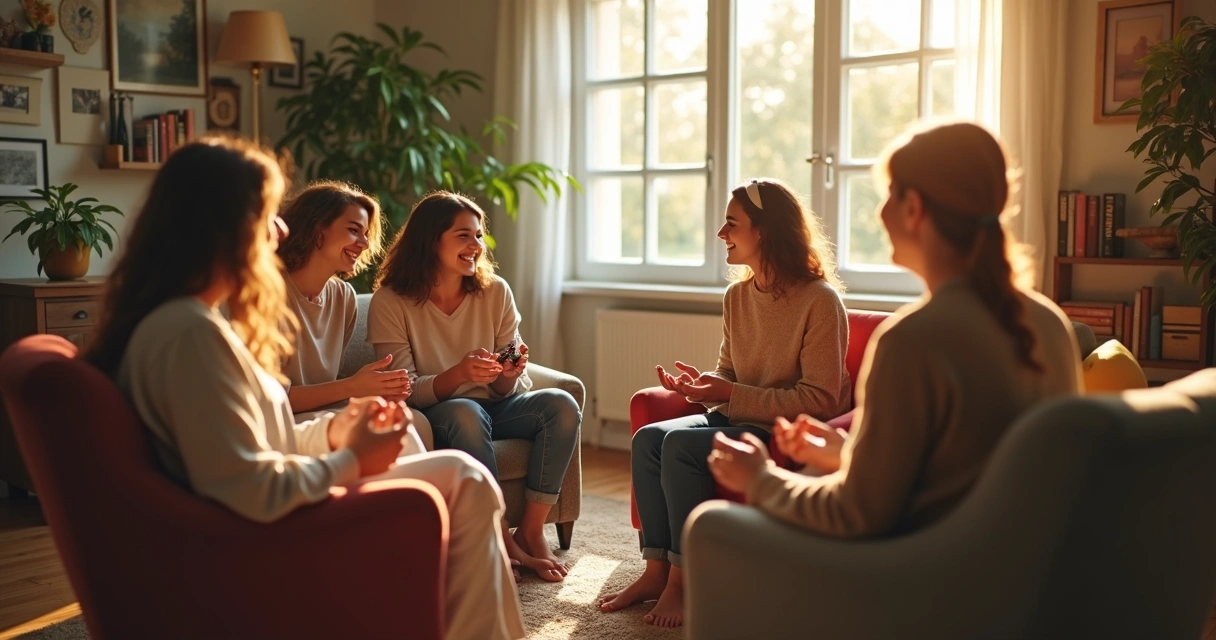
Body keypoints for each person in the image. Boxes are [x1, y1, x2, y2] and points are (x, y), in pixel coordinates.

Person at [84, 137, 525, 640]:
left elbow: (252, 439)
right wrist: (350, 459)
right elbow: (252, 489)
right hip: (258, 535)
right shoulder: (188, 335)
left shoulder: (187, 322)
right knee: (466, 478)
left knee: (431, 454)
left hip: (272, 489)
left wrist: (336, 431)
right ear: (223, 224)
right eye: (268, 214)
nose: (280, 230)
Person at [707, 121, 1082, 545]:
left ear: (913, 208)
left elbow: (853, 514)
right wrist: (846, 450)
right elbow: (956, 471)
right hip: (1014, 564)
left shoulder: (910, 341)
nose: (879, 212)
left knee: (708, 526)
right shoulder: (1049, 322)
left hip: (927, 569)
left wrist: (759, 478)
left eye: (888, 194)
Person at [600, 178, 852, 628]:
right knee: (648, 439)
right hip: (736, 416)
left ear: (765, 231)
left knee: (680, 445)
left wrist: (728, 394)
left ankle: (684, 582)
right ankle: (656, 573)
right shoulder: (737, 296)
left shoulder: (820, 300)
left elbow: (820, 399)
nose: (721, 234)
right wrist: (703, 385)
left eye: (732, 223)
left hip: (782, 431)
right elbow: (729, 371)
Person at [366, 191, 581, 583]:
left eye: (479, 235)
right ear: (431, 240)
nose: (476, 245)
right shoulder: (390, 301)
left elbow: (506, 387)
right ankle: (496, 536)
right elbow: (402, 388)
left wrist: (508, 373)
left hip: (495, 408)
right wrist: (459, 374)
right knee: (467, 411)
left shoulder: (495, 291)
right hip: (440, 413)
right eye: (463, 235)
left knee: (561, 404)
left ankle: (531, 531)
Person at [275, 180, 433, 448]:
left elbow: (327, 386)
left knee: (414, 421)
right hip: (281, 419)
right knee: (388, 429)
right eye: (353, 230)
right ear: (316, 228)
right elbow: (270, 398)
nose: (365, 243)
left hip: (320, 413)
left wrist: (377, 391)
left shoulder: (343, 297)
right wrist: (354, 387)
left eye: (366, 233)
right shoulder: (266, 293)